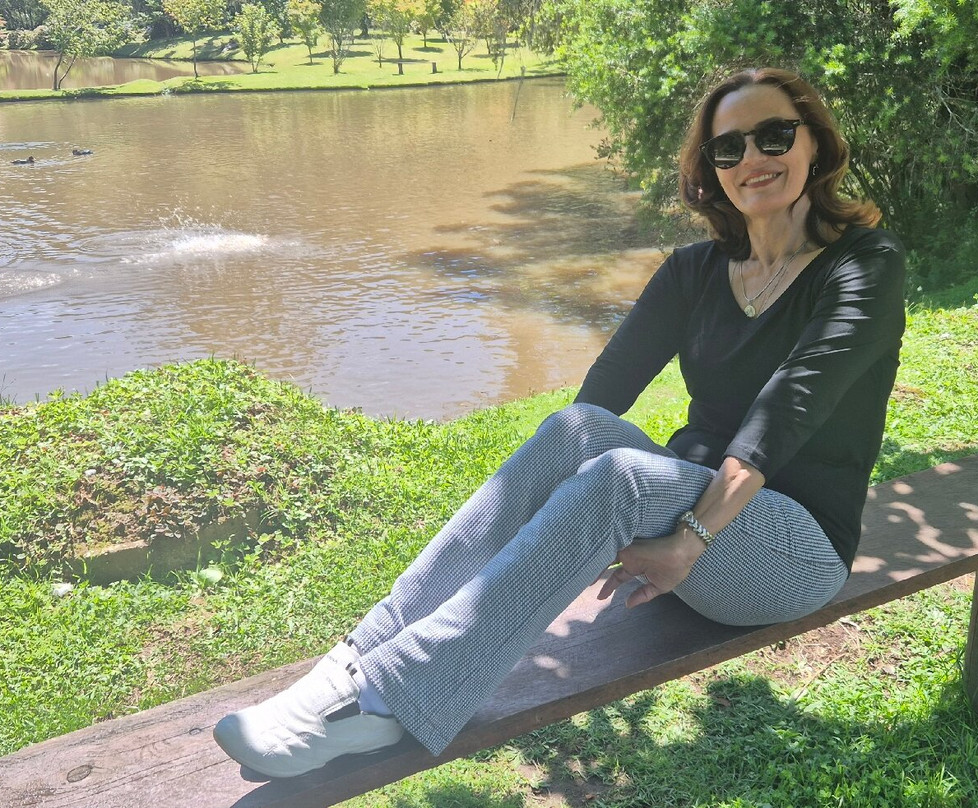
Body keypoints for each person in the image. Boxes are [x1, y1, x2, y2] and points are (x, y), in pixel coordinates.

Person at [213, 66, 906, 778]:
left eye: (774, 135)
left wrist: (688, 539)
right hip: (690, 518)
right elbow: (598, 401)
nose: (753, 158)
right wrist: (564, 495)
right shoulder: (695, 271)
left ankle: (389, 703)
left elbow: (788, 407)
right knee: (577, 429)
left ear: (814, 144)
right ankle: (358, 659)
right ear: (712, 171)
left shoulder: (863, 264)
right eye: (729, 147)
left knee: (621, 477)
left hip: (793, 552)